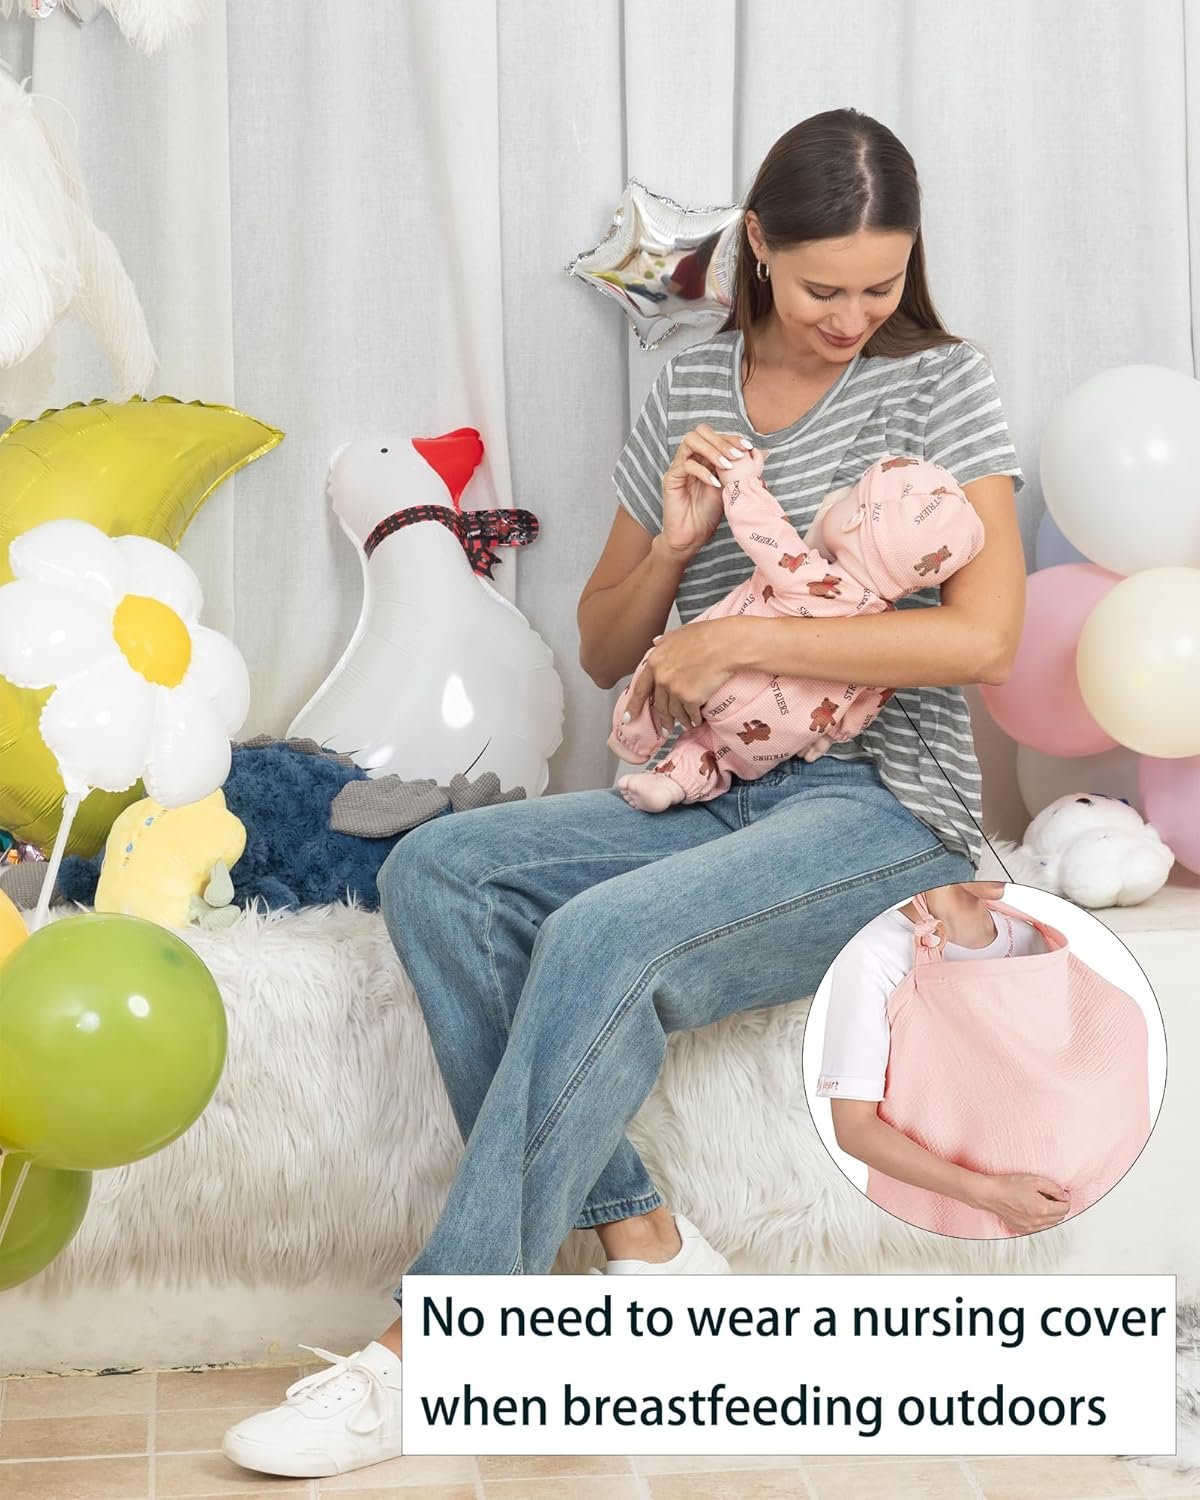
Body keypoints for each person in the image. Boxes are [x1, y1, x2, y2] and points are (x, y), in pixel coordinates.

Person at [223, 105, 1026, 1481]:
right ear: (759, 244)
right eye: (824, 289)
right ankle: (647, 1242)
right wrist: (674, 549)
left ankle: (443, 1346)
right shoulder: (690, 388)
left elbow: (985, 639)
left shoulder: (939, 384)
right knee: (440, 872)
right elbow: (604, 647)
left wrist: (753, 646)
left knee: (604, 938)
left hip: (881, 809)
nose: (852, 318)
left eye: (880, 285)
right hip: (707, 788)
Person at [608, 448, 984, 808]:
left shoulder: (812, 578)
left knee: (662, 661)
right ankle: (673, 784)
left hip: (721, 682)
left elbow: (763, 528)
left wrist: (742, 480)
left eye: (851, 496)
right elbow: (876, 692)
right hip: (778, 739)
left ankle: (633, 738)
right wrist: (831, 734)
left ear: (853, 521)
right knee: (713, 754)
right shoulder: (882, 635)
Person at [816, 880, 1072, 1237]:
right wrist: (988, 1194)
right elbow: (855, 1129)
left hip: (1054, 1219)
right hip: (926, 1231)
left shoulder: (1031, 939)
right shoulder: (875, 950)